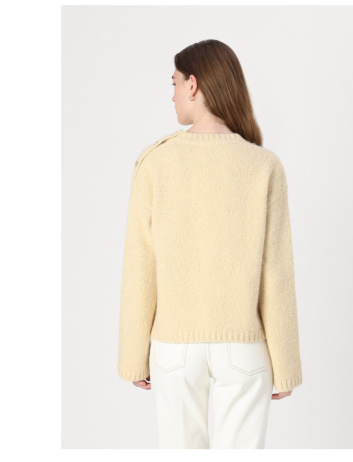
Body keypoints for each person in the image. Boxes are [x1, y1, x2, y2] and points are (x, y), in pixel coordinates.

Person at [117, 39, 302, 449]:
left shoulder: (154, 162)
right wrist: (285, 362)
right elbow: (276, 271)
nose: (172, 95)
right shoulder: (264, 165)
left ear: (193, 84)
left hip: (174, 347)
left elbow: (140, 264)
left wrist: (133, 354)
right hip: (244, 347)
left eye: (174, 83)